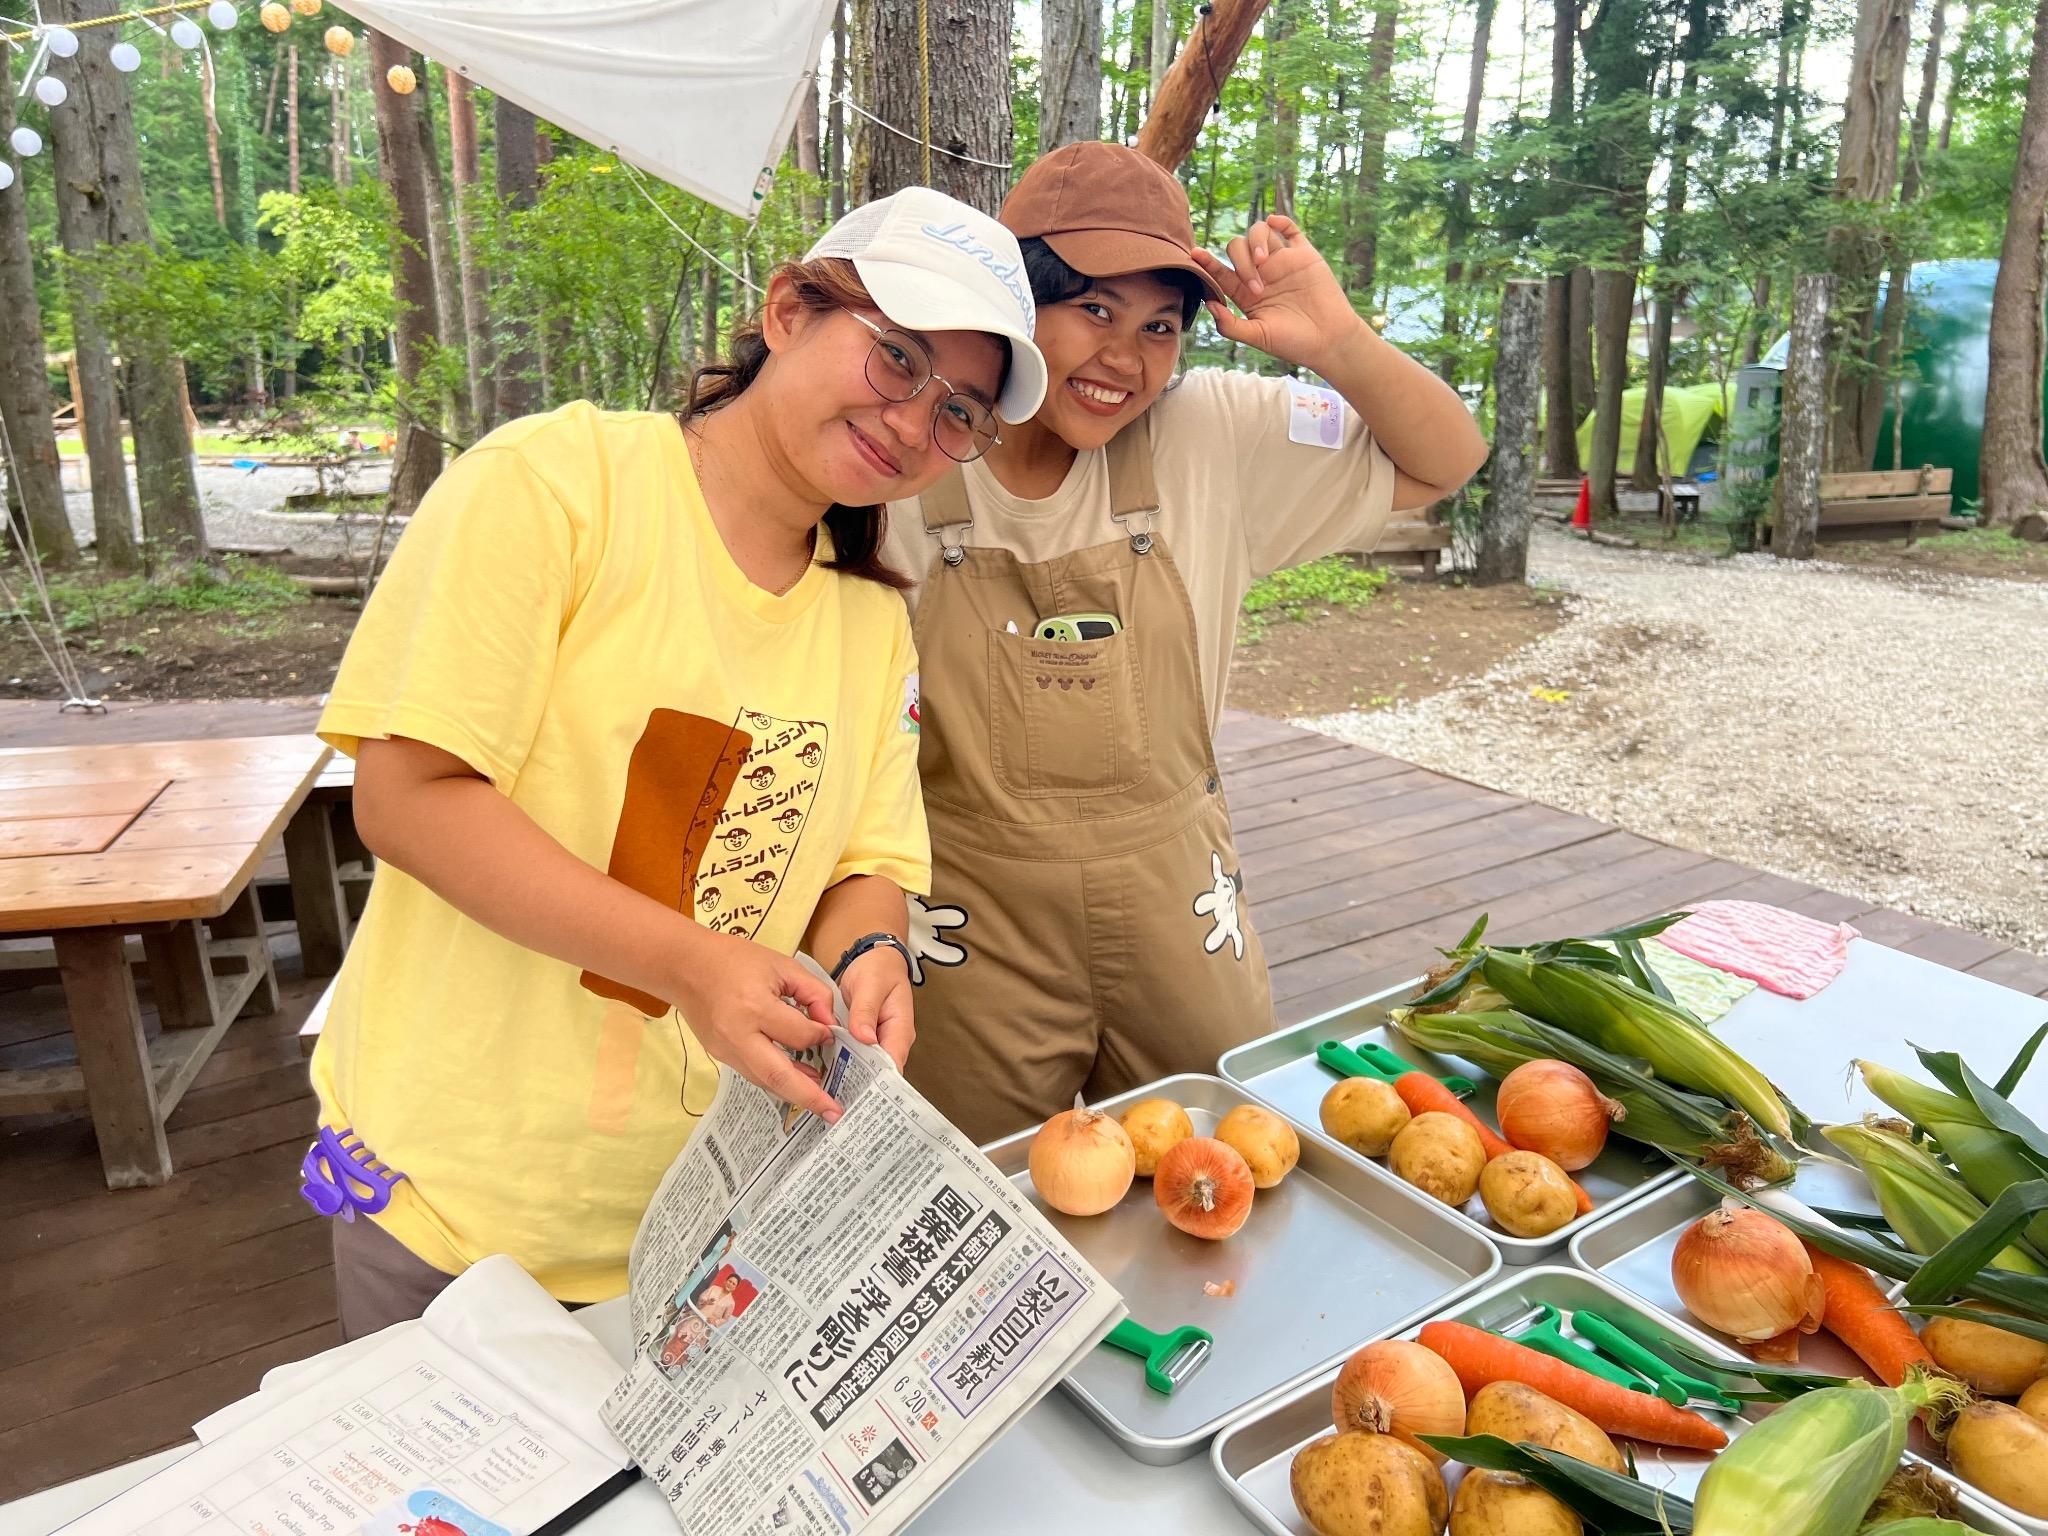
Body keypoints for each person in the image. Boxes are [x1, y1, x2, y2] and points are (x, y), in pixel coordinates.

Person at [309, 187, 1047, 1338]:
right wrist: (694, 964)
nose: (912, 423)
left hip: (706, 1216)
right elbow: (409, 799)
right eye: (895, 359)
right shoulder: (559, 486)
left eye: (957, 411)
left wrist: (867, 951)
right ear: (792, 308)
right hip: (456, 1205)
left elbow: (869, 857)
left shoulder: (866, 623)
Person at [884, 142, 1488, 1143]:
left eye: (1159, 324)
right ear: (1011, 300)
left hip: (1176, 892)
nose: (1126, 356)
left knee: (1227, 1161)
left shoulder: (1211, 432)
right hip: (964, 914)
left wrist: (1336, 340)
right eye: (1092, 309)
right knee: (977, 1190)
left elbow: (1446, 458)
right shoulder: (909, 453)